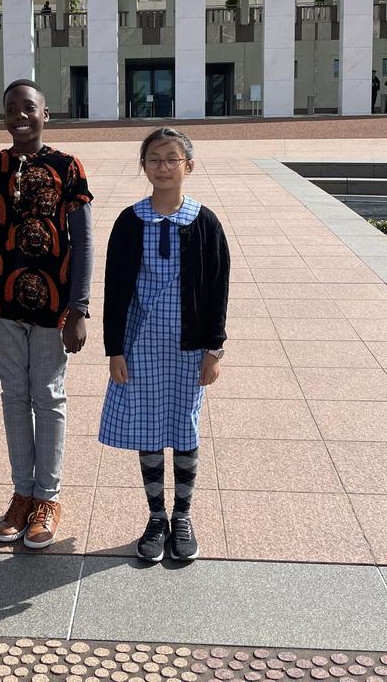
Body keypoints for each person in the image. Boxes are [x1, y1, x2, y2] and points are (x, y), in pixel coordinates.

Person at [99, 127, 230, 563]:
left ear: (188, 166)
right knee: (149, 427)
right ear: (143, 166)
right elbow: (114, 289)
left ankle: (183, 516)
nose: (163, 167)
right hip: (141, 344)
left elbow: (217, 289)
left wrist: (215, 348)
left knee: (185, 428)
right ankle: (157, 516)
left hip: (189, 346)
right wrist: (114, 348)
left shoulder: (204, 222)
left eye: (173, 159)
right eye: (154, 159)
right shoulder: (129, 221)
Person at [0, 79, 93, 549]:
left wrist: (79, 308)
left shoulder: (68, 168)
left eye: (30, 107)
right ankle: (22, 493)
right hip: (2, 303)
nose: (20, 115)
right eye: (11, 108)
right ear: (2, 115)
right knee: (13, 395)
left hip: (53, 306)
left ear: (47, 114)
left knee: (48, 394)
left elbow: (82, 242)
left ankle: (49, 497)